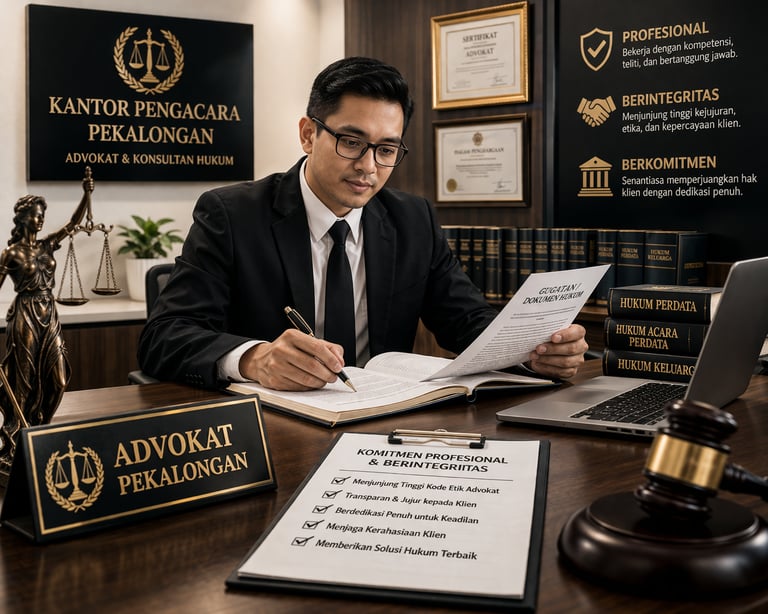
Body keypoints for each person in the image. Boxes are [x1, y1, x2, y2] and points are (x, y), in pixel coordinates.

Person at [137, 56, 588, 391]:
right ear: (308, 134)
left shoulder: (412, 219)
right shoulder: (232, 214)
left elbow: (465, 320)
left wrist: (532, 352)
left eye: (386, 150)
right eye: (351, 142)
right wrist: (254, 359)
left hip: (385, 425)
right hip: (272, 425)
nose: (368, 167)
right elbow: (164, 337)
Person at [0, 173, 94, 469]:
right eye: (36, 215)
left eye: (42, 215)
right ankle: (16, 440)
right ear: (23, 218)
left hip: (49, 312)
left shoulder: (47, 245)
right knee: (23, 382)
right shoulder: (11, 254)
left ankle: (41, 428)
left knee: (60, 380)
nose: (40, 220)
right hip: (25, 313)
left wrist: (86, 195)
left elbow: (73, 224)